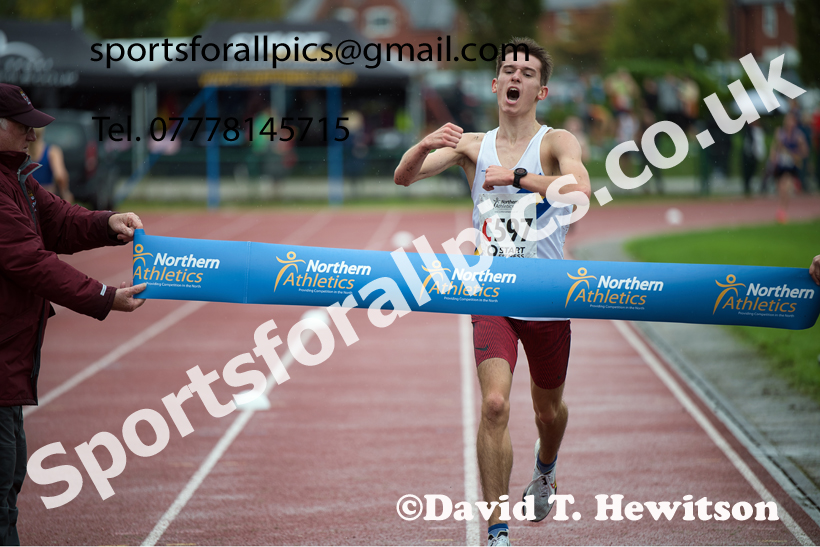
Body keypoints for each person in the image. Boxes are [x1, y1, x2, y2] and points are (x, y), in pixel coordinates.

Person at [394, 38, 591, 546]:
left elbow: (581, 192)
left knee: (547, 411)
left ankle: (545, 467)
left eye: (526, 72)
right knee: (496, 406)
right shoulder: (472, 146)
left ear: (540, 89)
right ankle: (498, 530)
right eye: (507, 69)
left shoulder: (556, 141)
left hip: (547, 297)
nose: (515, 77)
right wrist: (422, 144)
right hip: (491, 294)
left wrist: (521, 178)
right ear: (495, 83)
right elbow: (404, 177)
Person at [0, 83, 147, 546]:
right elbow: (29, 261)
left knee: (9, 478)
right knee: (2, 484)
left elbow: (59, 222)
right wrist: (104, 296)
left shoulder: (16, 178)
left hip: (9, 362)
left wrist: (108, 224)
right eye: (22, 125)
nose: (31, 134)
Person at [769, 112, 809, 223]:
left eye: (791, 121)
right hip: (781, 164)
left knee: (786, 187)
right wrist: (773, 158)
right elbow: (775, 147)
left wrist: (796, 155)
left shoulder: (798, 135)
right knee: (781, 188)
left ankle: (782, 211)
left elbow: (805, 151)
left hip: (791, 165)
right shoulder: (780, 133)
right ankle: (781, 209)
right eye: (787, 120)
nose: (789, 123)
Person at [29, 126, 73, 203]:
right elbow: (60, 176)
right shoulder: (52, 151)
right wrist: (65, 192)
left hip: (28, 196)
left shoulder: (23, 152)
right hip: (46, 197)